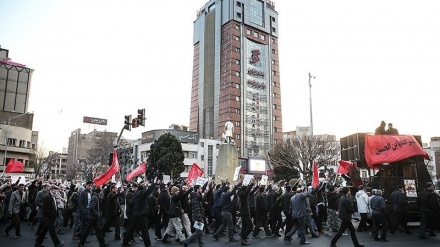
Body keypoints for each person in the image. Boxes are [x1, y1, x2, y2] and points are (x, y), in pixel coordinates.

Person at [122, 180, 159, 247]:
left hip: (136, 214)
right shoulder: (142, 194)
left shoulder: (135, 194)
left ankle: (125, 241)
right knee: (144, 230)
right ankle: (148, 244)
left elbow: (132, 203)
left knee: (131, 228)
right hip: (141, 214)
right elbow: (149, 190)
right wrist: (154, 183)